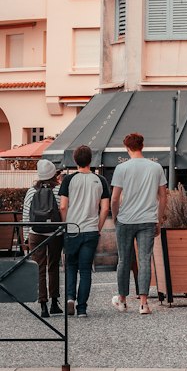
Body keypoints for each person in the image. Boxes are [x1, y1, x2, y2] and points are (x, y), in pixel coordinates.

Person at [110, 132, 167, 315]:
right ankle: (144, 304)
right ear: (142, 146)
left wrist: (115, 217)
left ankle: (122, 300)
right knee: (144, 261)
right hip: (148, 220)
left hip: (125, 220)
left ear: (127, 148)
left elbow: (114, 198)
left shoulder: (121, 168)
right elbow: (163, 196)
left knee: (123, 260)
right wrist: (159, 218)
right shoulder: (156, 167)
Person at [59, 145, 111, 317]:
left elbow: (63, 205)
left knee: (71, 266)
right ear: (91, 160)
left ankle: (70, 299)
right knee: (86, 269)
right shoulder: (100, 181)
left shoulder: (68, 180)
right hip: (90, 230)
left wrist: (66, 223)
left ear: (75, 160)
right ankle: (82, 308)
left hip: (73, 229)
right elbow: (105, 209)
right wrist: (98, 227)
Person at [23, 158, 64, 316]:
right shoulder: (58, 190)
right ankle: (54, 302)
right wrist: (62, 231)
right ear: (54, 174)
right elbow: (63, 210)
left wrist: (27, 237)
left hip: (36, 233)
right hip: (55, 233)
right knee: (53, 267)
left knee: (39, 268)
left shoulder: (32, 191)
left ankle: (43, 305)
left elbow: (26, 215)